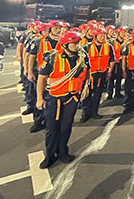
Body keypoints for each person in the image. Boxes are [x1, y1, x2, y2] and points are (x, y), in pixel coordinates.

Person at [36, 31, 90, 169]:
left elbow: (87, 72)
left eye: (78, 43)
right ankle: (50, 155)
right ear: (65, 44)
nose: (77, 46)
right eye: (74, 43)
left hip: (71, 99)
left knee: (66, 128)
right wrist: (39, 98)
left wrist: (85, 87)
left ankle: (63, 152)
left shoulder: (83, 57)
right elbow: (42, 78)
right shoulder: (52, 58)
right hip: (54, 99)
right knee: (52, 129)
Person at [81, 28, 115, 122]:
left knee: (97, 94)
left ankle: (94, 112)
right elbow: (82, 62)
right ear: (95, 36)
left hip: (102, 74)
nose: (102, 37)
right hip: (89, 75)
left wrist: (109, 71)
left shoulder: (108, 47)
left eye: (104, 35)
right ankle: (85, 113)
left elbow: (112, 60)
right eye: (100, 35)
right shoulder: (86, 47)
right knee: (87, 95)